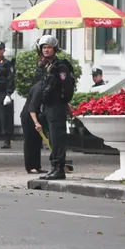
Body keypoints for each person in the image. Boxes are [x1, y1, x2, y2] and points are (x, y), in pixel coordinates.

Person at [31, 35, 74, 180]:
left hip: (57, 106)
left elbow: (67, 87)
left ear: (54, 49)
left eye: (49, 47)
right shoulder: (46, 66)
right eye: (44, 47)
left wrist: (63, 101)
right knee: (52, 138)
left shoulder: (60, 66)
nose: (46, 50)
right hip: (48, 107)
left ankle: (59, 168)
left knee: (57, 138)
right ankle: (54, 167)